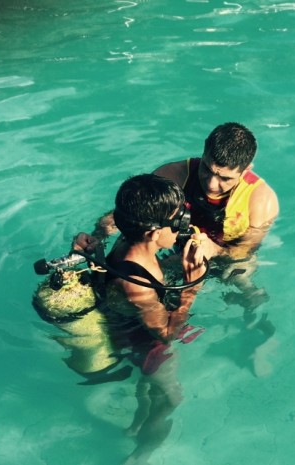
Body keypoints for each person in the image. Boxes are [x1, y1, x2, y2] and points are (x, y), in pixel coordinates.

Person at [74, 122, 279, 374]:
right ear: (203, 153)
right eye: (207, 169)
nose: (211, 184)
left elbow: (245, 251)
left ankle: (257, 336)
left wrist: (215, 251)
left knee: (247, 284)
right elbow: (133, 214)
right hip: (170, 245)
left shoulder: (261, 200)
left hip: (223, 254)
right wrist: (97, 237)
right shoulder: (174, 174)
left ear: (246, 170)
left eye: (224, 178)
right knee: (143, 283)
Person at [101, 173, 207, 464]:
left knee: (149, 387)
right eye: (177, 220)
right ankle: (141, 454)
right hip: (146, 345)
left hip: (129, 327)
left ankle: (136, 424)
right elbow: (165, 333)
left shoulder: (128, 239)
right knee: (171, 398)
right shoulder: (137, 281)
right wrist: (192, 287)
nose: (184, 223)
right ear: (151, 233)